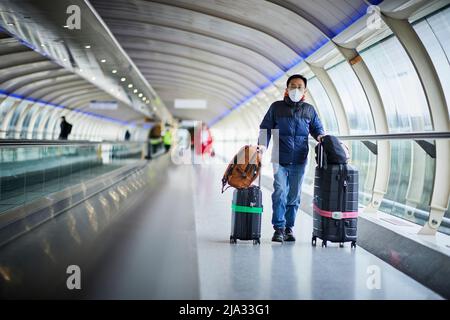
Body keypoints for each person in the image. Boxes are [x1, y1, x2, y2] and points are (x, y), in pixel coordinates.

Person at [258, 74, 325, 242]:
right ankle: (278, 228)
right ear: (286, 89)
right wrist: (262, 146)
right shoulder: (276, 107)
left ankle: (289, 228)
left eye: (299, 87)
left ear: (305, 91)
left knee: (294, 195)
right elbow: (265, 128)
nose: (296, 89)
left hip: (300, 158)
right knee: (280, 191)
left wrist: (322, 137)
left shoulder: (309, 110)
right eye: (293, 86)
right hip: (279, 156)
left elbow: (317, 129)